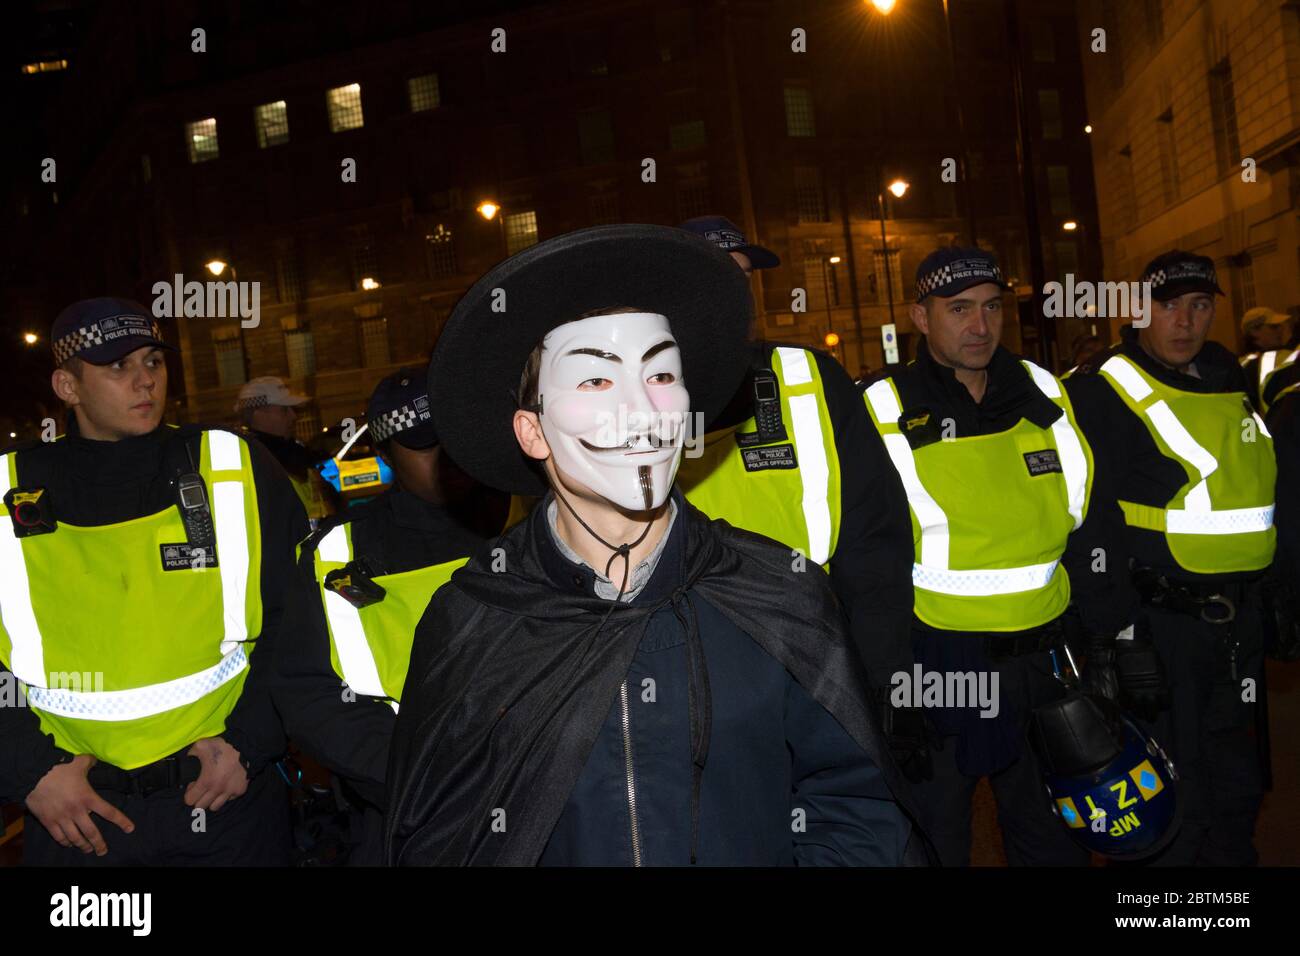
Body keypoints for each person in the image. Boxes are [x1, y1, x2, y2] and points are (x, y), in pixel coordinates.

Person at [385, 224, 927, 866]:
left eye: (661, 374)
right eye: (594, 382)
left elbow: (857, 805)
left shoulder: (776, 589)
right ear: (532, 431)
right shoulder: (474, 619)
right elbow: (442, 835)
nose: (642, 411)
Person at [0, 297, 303, 865]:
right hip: (77, 816)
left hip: (226, 800)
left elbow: (299, 615)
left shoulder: (231, 465)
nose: (144, 380)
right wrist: (31, 772)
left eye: (153, 362)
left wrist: (250, 741)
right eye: (117, 366)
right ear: (67, 386)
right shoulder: (8, 489)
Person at [861, 247, 1133, 866]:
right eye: (958, 309)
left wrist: (1114, 637)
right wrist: (888, 680)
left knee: (1054, 835)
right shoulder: (881, 405)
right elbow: (870, 559)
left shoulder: (1041, 388)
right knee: (937, 837)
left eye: (990, 307)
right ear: (920, 317)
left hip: (1048, 655)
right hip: (942, 663)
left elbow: (1091, 520)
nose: (979, 327)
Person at [674, 214, 921, 778]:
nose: (737, 295)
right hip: (694, 671)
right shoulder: (628, 399)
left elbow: (875, 537)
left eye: (742, 278)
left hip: (820, 661)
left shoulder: (810, 375)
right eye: (716, 278)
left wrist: (887, 679)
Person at [1065, 250, 1281, 865]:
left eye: (1200, 305)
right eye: (1167, 306)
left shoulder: (1228, 376)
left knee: (1238, 787)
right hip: (1160, 628)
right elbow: (1089, 522)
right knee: (1168, 798)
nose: (1185, 321)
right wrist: (1117, 634)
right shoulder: (1101, 390)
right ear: (1137, 313)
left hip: (1236, 624)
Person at [273, 367, 495, 863]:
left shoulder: (542, 518)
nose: (448, 456)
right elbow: (308, 692)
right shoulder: (339, 552)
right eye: (423, 443)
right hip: (409, 815)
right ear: (383, 454)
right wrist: (414, 774)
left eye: (454, 436)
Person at [236, 376, 337, 525]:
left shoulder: (294, 453)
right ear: (258, 415)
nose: (293, 416)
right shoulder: (251, 462)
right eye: (284, 410)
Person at [1237, 307, 1298, 413]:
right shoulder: (1283, 359)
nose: (1280, 330)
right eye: (1274, 327)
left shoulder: (1239, 364)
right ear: (1254, 331)